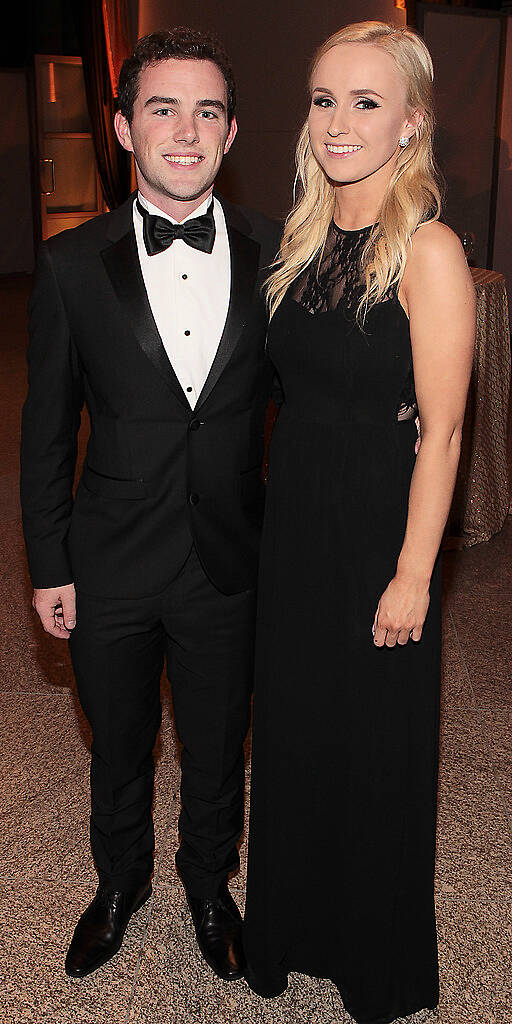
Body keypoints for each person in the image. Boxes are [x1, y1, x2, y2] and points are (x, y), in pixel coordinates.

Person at [21, 27, 280, 981]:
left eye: (206, 110)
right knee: (119, 743)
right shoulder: (70, 263)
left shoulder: (272, 253)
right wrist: (48, 562)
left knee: (218, 748)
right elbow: (45, 430)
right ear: (123, 126)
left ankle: (210, 887)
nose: (185, 129)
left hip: (228, 560)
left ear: (232, 129)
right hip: (111, 560)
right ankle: (119, 883)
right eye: (161, 108)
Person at [243, 21, 475, 1024]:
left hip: (380, 522)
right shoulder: (295, 238)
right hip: (293, 520)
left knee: (372, 743)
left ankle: (372, 958)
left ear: (410, 122)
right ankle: (287, 929)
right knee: (294, 731)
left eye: (365, 102)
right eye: (323, 99)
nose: (337, 122)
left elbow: (444, 430)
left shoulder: (427, 249)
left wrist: (414, 572)